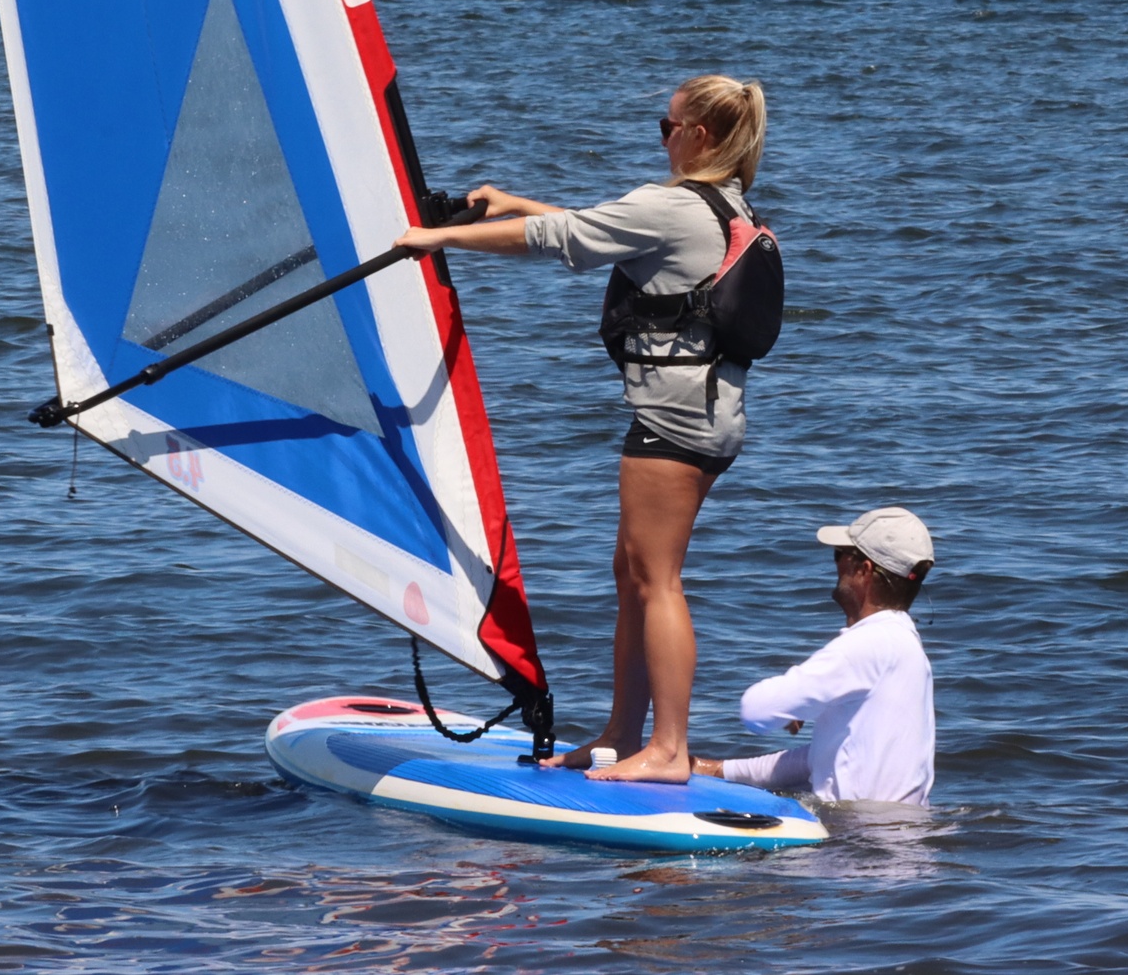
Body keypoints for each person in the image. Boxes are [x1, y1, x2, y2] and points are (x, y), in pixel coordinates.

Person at [396, 74, 768, 783]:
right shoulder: (714, 205)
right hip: (703, 411)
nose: (661, 136)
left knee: (657, 579)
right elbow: (602, 229)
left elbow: (560, 238)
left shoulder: (673, 205)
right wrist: (512, 204)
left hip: (676, 420)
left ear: (700, 136)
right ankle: (625, 731)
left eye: (667, 125)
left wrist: (441, 236)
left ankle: (667, 749)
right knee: (631, 573)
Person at [697, 506, 937, 805]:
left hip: (856, 843)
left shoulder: (867, 645)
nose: (835, 566)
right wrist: (719, 770)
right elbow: (821, 758)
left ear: (864, 570)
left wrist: (798, 691)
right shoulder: (906, 647)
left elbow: (755, 711)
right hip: (895, 836)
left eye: (839, 555)